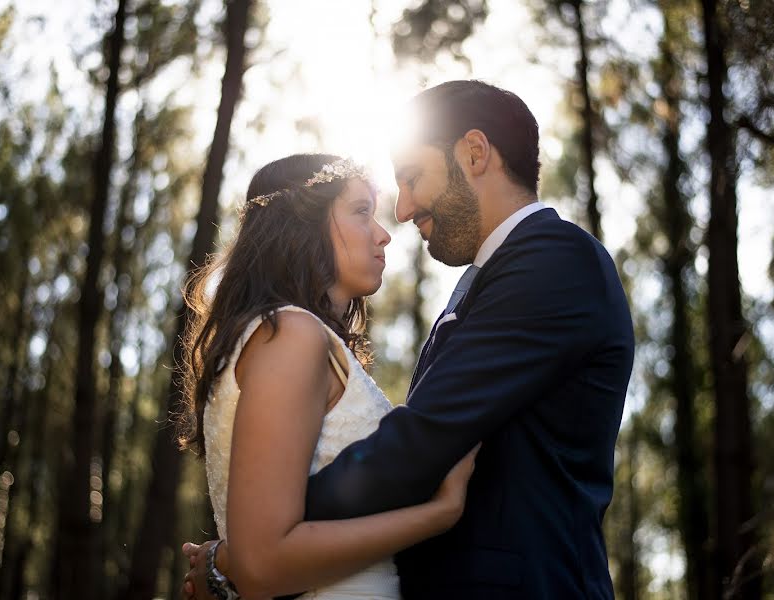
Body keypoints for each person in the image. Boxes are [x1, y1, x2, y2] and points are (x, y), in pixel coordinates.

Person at [184, 80, 634, 599]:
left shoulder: (555, 260)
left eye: (413, 177)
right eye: (365, 208)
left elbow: (424, 440)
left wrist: (244, 550)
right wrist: (262, 543)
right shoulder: (484, 287)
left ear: (474, 153)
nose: (400, 211)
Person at [176, 152, 480, 600]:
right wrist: (440, 512)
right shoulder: (291, 335)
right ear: (302, 222)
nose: (382, 235)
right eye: (361, 212)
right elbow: (262, 563)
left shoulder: (288, 337)